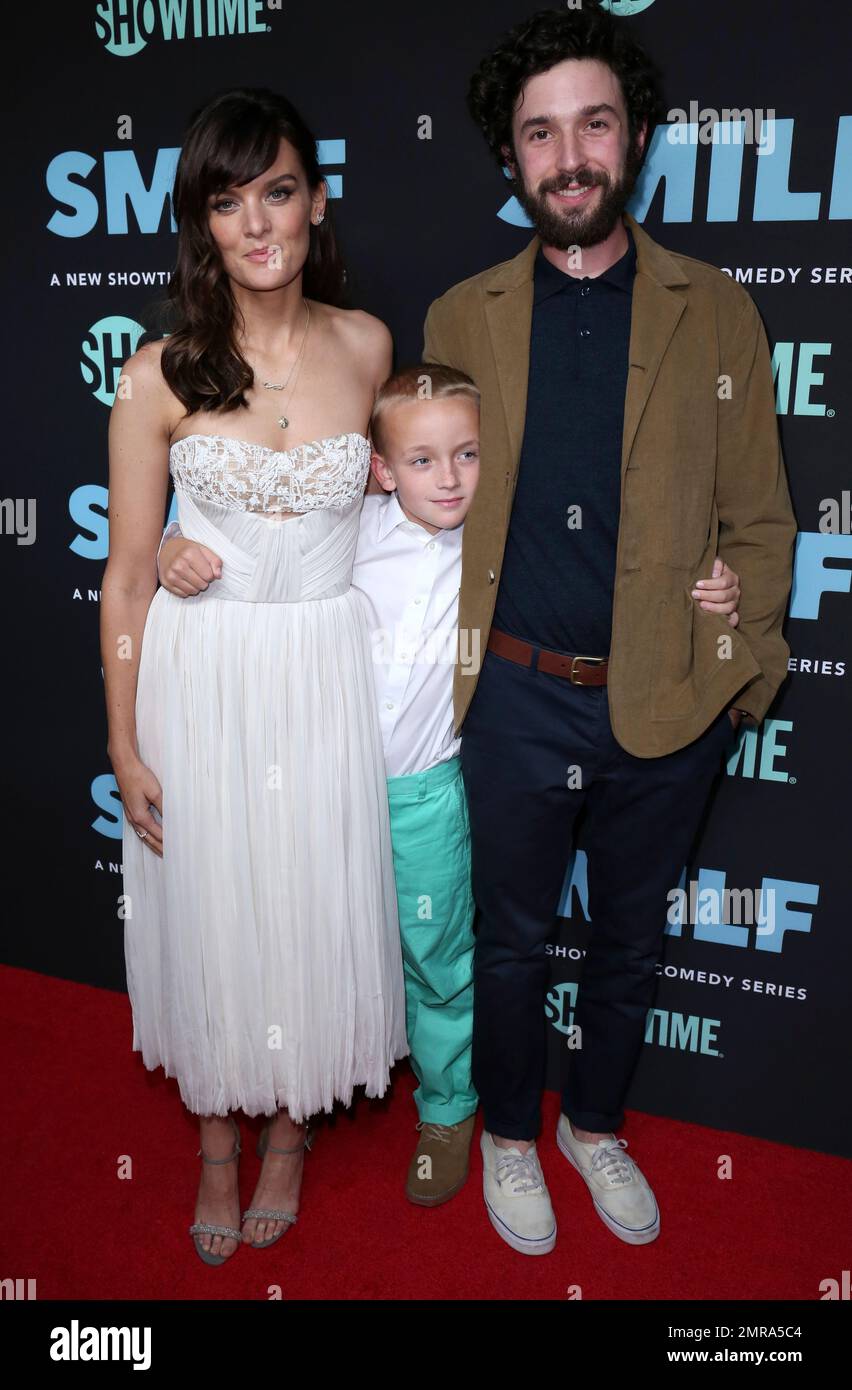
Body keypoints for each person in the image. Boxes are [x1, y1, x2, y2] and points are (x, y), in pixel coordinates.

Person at [160, 361, 743, 1211]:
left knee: (437, 961)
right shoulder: (350, 529)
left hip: (428, 794)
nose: (449, 478)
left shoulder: (510, 546)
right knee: (307, 947)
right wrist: (175, 535)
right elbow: (253, 534)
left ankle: (446, 1110)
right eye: (424, 460)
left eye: (469, 456)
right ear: (380, 468)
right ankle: (300, 1091)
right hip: (326, 786)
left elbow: (625, 566)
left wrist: (713, 586)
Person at [421, 4, 796, 1256]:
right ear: (512, 157)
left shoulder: (717, 307)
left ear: (631, 139)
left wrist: (738, 659)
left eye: (593, 123)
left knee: (631, 942)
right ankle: (514, 1138)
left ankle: (595, 1121)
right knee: (511, 942)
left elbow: (762, 519)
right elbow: (426, 506)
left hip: (665, 697)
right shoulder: (460, 316)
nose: (569, 154)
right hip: (514, 697)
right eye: (540, 133)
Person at [100, 87, 408, 1268]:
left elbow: (418, 503)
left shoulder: (370, 345)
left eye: (277, 190)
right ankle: (219, 1142)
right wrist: (125, 744)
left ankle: (291, 1129)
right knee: (217, 904)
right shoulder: (158, 374)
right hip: (205, 678)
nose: (257, 221)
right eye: (227, 202)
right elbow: (129, 577)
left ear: (316, 200)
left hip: (322, 673)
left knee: (309, 895)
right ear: (203, 224)